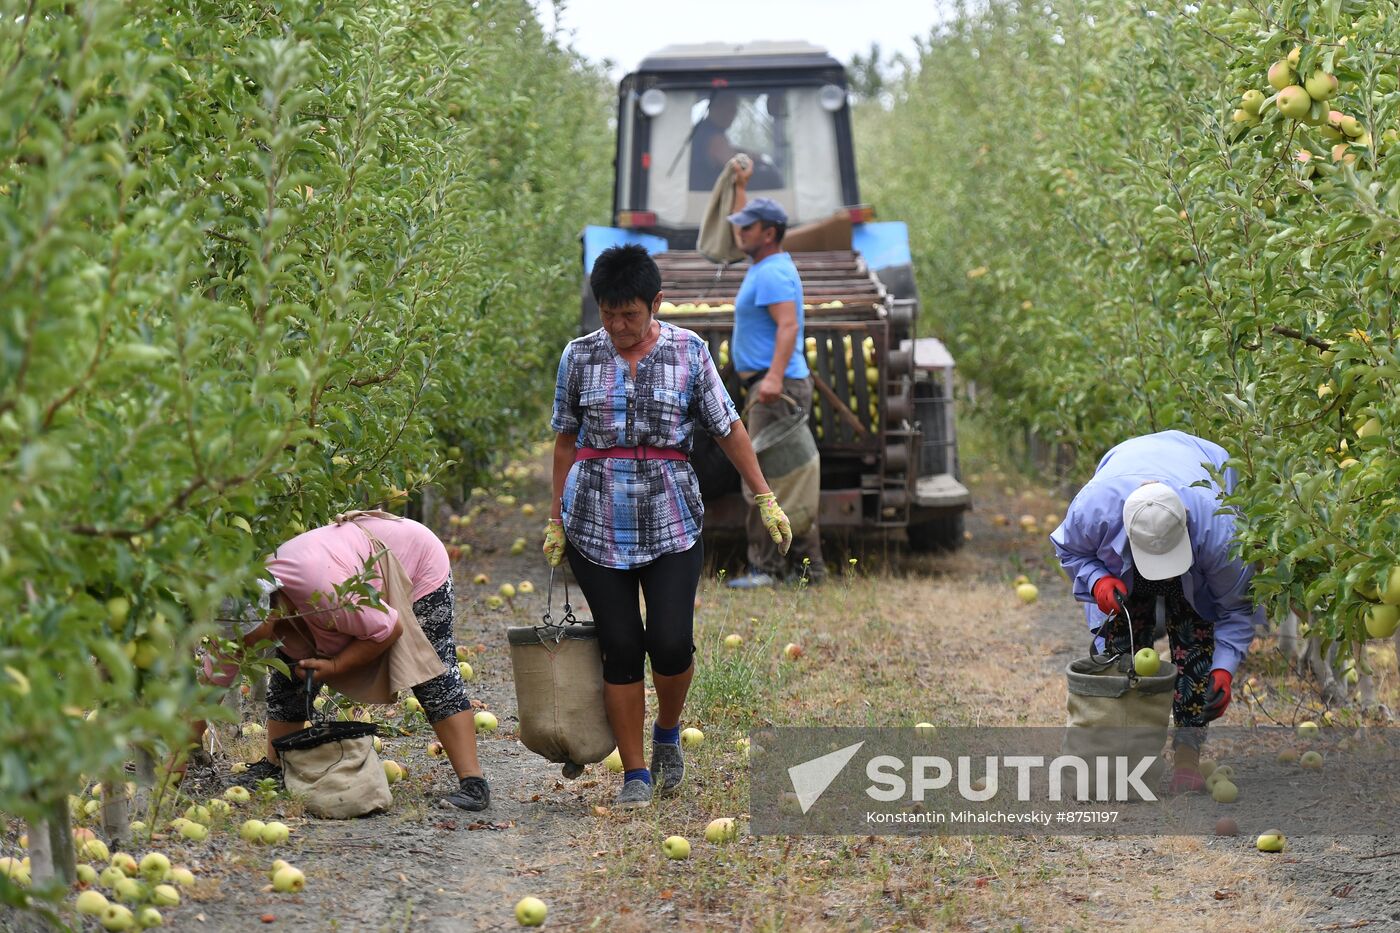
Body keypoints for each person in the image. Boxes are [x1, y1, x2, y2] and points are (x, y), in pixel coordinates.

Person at [544, 244, 792, 809]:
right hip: (597, 518)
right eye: (608, 314)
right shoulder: (579, 356)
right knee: (622, 645)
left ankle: (667, 733)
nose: (618, 326)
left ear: (656, 303)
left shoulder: (689, 351)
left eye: (630, 314)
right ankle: (634, 772)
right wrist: (556, 518)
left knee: (671, 641)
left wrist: (765, 496)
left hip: (672, 517)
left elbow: (727, 427)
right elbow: (564, 439)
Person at [218, 513, 491, 812]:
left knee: (432, 671)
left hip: (412, 558)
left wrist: (336, 665)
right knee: (290, 675)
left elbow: (388, 628)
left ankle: (473, 783)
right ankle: (276, 766)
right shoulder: (247, 602)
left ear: (269, 613)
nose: (247, 646)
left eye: (248, 636)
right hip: (346, 569)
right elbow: (211, 684)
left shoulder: (325, 591)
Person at [1049, 430, 1261, 793]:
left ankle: (1187, 757)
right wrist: (1098, 579)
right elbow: (1069, 550)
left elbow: (1236, 608)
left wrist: (1224, 669)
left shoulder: (1220, 532)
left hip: (1196, 539)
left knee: (1196, 639)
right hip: (1124, 549)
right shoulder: (1095, 509)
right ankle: (1124, 753)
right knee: (1120, 648)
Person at [723, 177, 826, 589]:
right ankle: (809, 568)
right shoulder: (764, 265)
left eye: (748, 228)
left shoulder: (772, 273)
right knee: (785, 478)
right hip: (771, 388)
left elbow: (788, 327)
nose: (739, 233)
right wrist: (739, 187)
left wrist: (773, 377)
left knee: (764, 482)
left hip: (775, 391)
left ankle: (766, 569)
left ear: (768, 233)